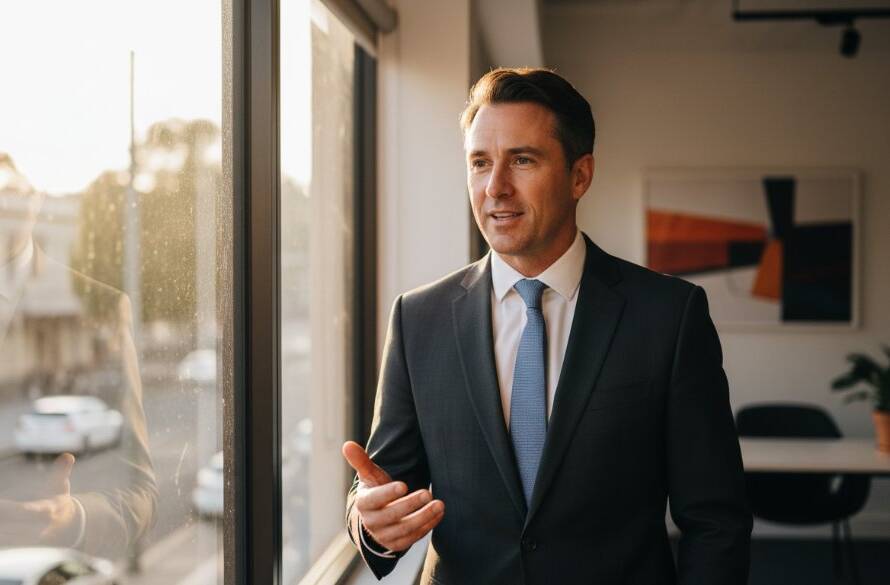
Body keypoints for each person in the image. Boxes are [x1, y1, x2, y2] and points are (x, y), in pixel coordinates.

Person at [343, 68, 752, 584]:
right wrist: (369, 519)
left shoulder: (669, 315)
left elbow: (716, 519)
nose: (496, 187)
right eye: (479, 163)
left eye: (522, 160)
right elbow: (385, 487)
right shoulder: (417, 318)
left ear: (579, 176)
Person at [0, 157, 157, 559]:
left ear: (35, 200)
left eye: (10, 194)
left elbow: (140, 493)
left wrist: (73, 518)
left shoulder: (102, 305)